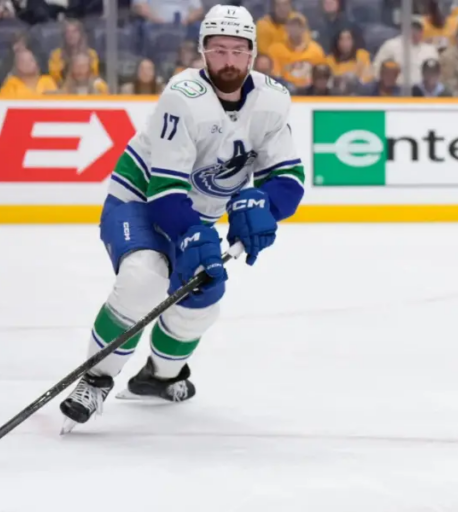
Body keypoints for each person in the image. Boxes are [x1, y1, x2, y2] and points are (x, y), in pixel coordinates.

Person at [59, 4, 306, 433]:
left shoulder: (272, 100)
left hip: (195, 215)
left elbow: (288, 179)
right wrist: (192, 233)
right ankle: (95, 378)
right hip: (140, 201)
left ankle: (158, 377)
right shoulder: (183, 97)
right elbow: (166, 193)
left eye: (238, 51)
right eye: (218, 50)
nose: (228, 60)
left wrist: (263, 205)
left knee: (205, 297)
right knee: (145, 277)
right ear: (202, 51)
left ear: (252, 53)